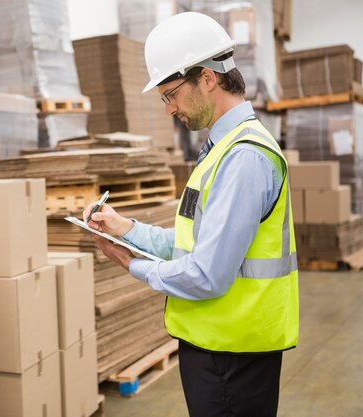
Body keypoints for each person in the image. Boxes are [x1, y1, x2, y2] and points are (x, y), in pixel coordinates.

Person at [83, 12, 299, 417]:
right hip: (218, 347)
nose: (169, 110)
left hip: (233, 356)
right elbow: (191, 244)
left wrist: (132, 265)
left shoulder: (243, 158)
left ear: (207, 77)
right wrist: (125, 228)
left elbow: (206, 274)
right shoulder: (222, 149)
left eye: (170, 94)